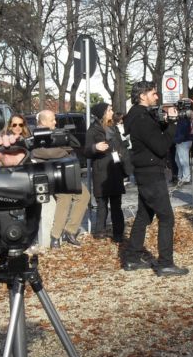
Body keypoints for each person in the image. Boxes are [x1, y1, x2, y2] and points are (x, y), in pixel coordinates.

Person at [122, 80, 188, 276]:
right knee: (167, 217)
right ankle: (165, 263)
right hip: (151, 173)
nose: (157, 97)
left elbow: (152, 138)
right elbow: (160, 146)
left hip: (145, 171)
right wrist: (173, 124)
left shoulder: (137, 115)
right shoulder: (141, 118)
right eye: (153, 93)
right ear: (142, 95)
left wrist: (164, 122)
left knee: (144, 216)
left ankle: (132, 258)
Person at [33, 109, 89, 248]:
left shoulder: (56, 132)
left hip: (66, 172)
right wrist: (63, 151)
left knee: (84, 195)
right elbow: (43, 152)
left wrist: (63, 149)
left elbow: (71, 145)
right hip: (50, 174)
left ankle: (70, 231)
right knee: (64, 196)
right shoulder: (36, 135)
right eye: (52, 119)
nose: (55, 122)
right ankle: (55, 236)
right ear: (44, 121)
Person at [85, 102, 126, 242]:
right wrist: (95, 147)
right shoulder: (93, 130)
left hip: (115, 169)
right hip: (101, 170)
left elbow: (120, 145)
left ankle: (119, 233)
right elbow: (86, 151)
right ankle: (99, 231)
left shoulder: (114, 128)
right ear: (102, 113)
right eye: (109, 110)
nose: (112, 112)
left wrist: (121, 153)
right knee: (102, 204)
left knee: (116, 204)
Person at [173, 102, 193, 186]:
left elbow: (181, 132)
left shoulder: (183, 120)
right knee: (178, 160)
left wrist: (176, 140)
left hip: (183, 141)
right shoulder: (186, 120)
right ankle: (181, 176)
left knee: (183, 160)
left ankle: (186, 177)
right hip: (184, 141)